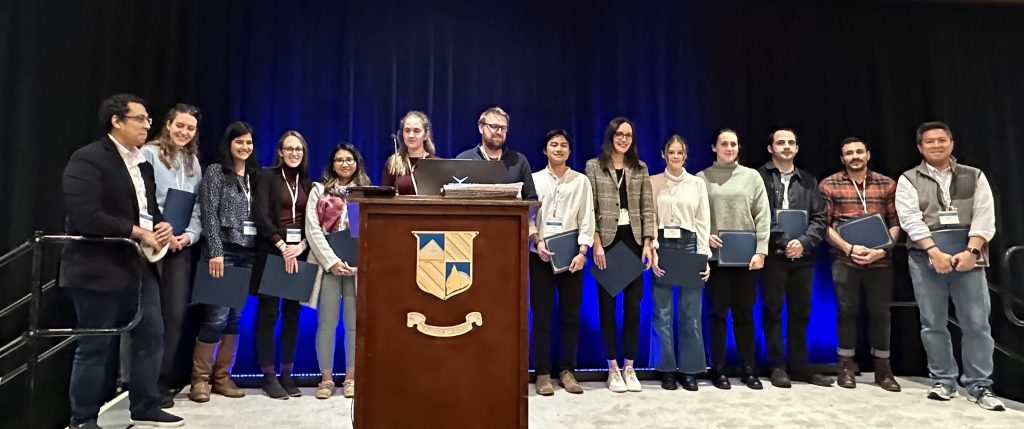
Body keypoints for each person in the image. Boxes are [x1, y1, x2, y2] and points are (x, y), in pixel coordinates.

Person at [61, 94, 182, 428]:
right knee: (95, 345)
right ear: (116, 121)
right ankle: (83, 419)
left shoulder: (143, 164)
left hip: (140, 265)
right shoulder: (88, 159)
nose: (147, 125)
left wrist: (160, 226)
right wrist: (137, 231)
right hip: (98, 267)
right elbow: (87, 215)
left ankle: (145, 404)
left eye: (148, 120)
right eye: (140, 119)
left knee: (151, 335)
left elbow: (147, 210)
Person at [895, 121, 1004, 411]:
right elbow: (909, 218)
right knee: (932, 323)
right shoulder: (908, 179)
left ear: (951, 143)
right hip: (926, 257)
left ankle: (980, 384)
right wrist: (934, 252)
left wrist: (971, 251)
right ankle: (943, 380)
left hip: (969, 256)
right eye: (929, 142)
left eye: (941, 140)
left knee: (977, 323)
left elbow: (985, 216)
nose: (936, 145)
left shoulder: (974, 175)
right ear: (920, 148)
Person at [819, 137, 901, 392]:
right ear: (842, 158)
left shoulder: (887, 184)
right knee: (846, 313)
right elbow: (823, 225)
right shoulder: (828, 184)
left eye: (859, 152)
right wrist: (849, 248)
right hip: (845, 259)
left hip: (880, 260)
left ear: (868, 154)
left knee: (881, 314)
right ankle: (846, 366)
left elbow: (896, 223)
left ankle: (883, 370)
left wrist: (881, 250)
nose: (854, 156)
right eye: (849, 153)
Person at [756, 128, 832, 388]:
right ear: (771, 148)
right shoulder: (758, 178)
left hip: (803, 257)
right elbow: (757, 215)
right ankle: (777, 365)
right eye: (781, 142)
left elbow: (820, 218)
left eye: (791, 143)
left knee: (801, 312)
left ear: (797, 149)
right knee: (772, 311)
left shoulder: (809, 180)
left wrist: (803, 243)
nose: (786, 146)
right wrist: (784, 241)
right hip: (772, 255)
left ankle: (799, 365)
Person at [584, 117, 656, 393]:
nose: (624, 139)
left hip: (634, 242)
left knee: (633, 307)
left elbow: (647, 208)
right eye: (619, 134)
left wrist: (648, 243)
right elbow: (590, 208)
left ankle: (629, 366)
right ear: (610, 136)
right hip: (608, 243)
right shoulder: (594, 166)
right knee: (607, 307)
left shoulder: (640, 168)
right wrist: (596, 244)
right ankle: (612, 366)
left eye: (628, 135)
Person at [190, 121, 259, 403]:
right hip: (222, 252)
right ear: (229, 144)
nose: (245, 147)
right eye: (239, 142)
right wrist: (216, 251)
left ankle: (222, 377)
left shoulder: (254, 175)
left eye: (249, 142)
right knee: (216, 317)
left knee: (235, 317)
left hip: (247, 253)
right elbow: (208, 214)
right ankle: (200, 380)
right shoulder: (216, 172)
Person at [140, 103, 203, 405]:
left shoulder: (193, 162)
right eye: (180, 125)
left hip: (180, 248)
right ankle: (136, 384)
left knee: (174, 317)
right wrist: (158, 231)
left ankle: (161, 382)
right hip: (151, 245)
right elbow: (141, 199)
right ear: (168, 124)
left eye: (190, 128)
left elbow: (198, 206)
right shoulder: (149, 154)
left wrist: (188, 236)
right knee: (146, 317)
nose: (184, 132)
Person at [697, 128, 770, 390]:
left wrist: (761, 250)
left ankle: (749, 369)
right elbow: (696, 215)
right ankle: (717, 369)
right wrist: (704, 235)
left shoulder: (752, 177)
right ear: (714, 147)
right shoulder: (701, 178)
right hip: (715, 260)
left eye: (733, 144)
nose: (729, 148)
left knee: (745, 315)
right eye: (724, 144)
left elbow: (763, 215)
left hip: (745, 259)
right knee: (716, 315)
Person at [528, 130, 594, 396]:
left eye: (564, 145)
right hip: (541, 257)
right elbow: (529, 217)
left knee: (570, 317)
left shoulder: (581, 181)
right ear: (545, 150)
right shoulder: (533, 179)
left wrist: (583, 252)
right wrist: (536, 242)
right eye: (553, 144)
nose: (558, 149)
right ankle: (542, 373)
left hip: (572, 259)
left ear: (569, 150)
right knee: (541, 316)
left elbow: (587, 218)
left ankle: (568, 371)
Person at [306, 142, 372, 399]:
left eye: (349, 159)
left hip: (356, 268)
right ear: (332, 164)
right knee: (326, 323)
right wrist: (331, 261)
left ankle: (351, 378)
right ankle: (326, 379)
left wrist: (361, 263)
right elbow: (312, 229)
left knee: (354, 324)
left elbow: (370, 231)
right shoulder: (319, 191)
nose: (345, 164)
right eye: (339, 160)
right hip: (328, 267)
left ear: (357, 163)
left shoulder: (366, 192)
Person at [251, 131, 313, 399]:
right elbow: (259, 215)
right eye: (289, 148)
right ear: (280, 151)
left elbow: (314, 220)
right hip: (273, 251)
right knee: (268, 314)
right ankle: (268, 375)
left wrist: (302, 246)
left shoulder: (308, 183)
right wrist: (282, 245)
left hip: (300, 253)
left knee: (292, 315)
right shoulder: (266, 177)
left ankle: (287, 373)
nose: (294, 153)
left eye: (298, 149)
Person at [649, 135, 710, 391]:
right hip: (662, 245)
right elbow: (650, 217)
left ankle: (690, 369)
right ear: (663, 154)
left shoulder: (697, 183)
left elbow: (703, 221)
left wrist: (704, 256)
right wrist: (652, 249)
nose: (675, 156)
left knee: (690, 312)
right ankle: (666, 369)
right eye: (671, 152)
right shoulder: (653, 182)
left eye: (680, 153)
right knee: (662, 312)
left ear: (685, 155)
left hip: (689, 244)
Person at [455, 106, 538, 200]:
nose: (499, 132)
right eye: (494, 126)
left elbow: (531, 200)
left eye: (503, 128)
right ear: (481, 127)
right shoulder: (464, 159)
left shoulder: (519, 161)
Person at [381, 111, 439, 195]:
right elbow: (383, 197)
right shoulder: (393, 163)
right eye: (407, 130)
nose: (411, 135)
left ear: (425, 135)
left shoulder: (436, 164)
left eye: (416, 131)